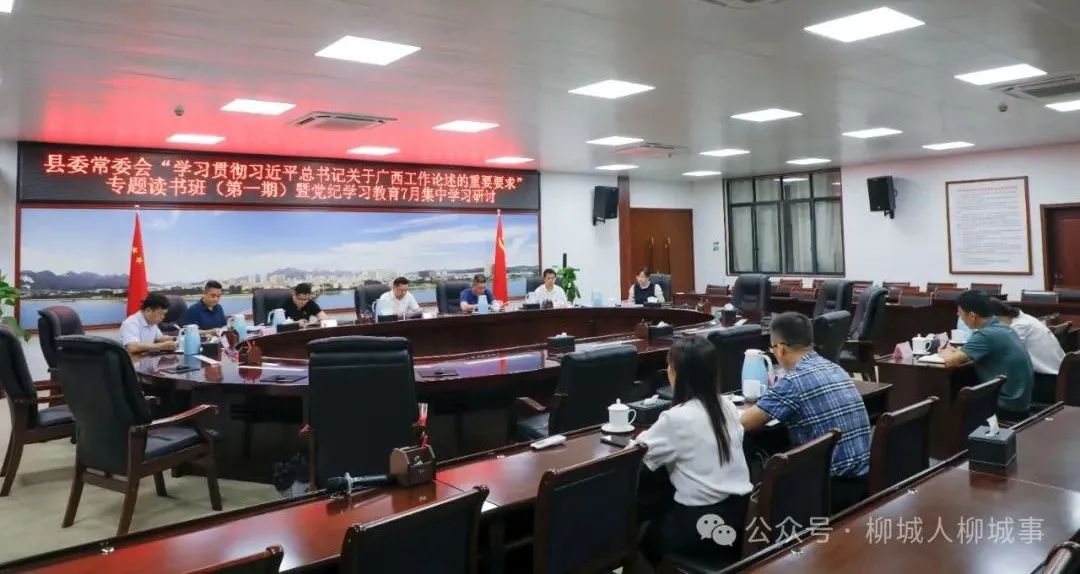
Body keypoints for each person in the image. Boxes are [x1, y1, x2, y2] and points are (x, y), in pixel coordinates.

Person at [636, 336, 752, 567]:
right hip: (739, 516)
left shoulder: (675, 419)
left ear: (676, 374)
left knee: (642, 531)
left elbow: (638, 454)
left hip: (701, 526)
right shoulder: (727, 405)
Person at [740, 312, 872, 512]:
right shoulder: (835, 368)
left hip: (829, 489)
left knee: (753, 446)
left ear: (780, 349)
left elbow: (744, 423)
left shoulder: (792, 381)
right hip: (863, 480)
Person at [942, 290, 1035, 420]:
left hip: (1006, 406)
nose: (959, 315)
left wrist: (944, 351)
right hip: (1020, 401)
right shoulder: (1003, 327)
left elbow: (950, 361)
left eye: (960, 312)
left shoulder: (985, 335)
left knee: (951, 404)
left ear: (972, 316)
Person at [989, 299, 1065, 403]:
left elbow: (1001, 354)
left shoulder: (1019, 326)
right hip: (1057, 379)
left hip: (1046, 383)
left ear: (995, 317)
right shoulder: (1026, 318)